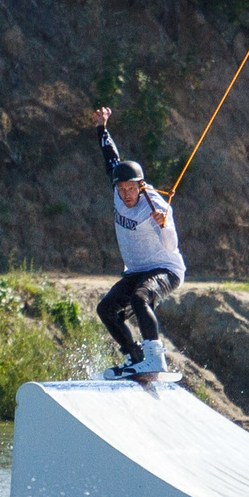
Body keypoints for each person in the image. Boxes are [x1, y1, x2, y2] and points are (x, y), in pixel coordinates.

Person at [91, 106, 186, 379]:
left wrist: (164, 224)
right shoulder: (117, 191)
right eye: (122, 189)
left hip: (166, 269)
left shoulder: (154, 203)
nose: (126, 194)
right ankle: (136, 359)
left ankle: (156, 359)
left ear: (141, 185)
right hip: (136, 271)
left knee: (140, 298)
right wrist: (101, 127)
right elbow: (111, 157)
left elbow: (170, 246)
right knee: (106, 309)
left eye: (131, 188)